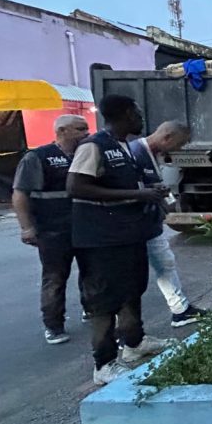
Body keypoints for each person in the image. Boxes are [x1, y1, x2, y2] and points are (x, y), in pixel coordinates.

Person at [67, 95, 170, 385]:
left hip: (128, 234)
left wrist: (149, 190)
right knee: (104, 299)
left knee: (132, 289)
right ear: (126, 113)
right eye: (137, 112)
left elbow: (120, 185)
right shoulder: (94, 146)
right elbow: (76, 186)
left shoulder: (123, 146)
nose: (140, 117)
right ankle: (104, 363)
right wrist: (138, 195)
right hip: (101, 239)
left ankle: (134, 344)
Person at [11, 114, 90, 344]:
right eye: (80, 129)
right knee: (55, 277)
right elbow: (20, 194)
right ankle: (53, 325)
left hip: (85, 227)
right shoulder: (38, 157)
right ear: (62, 131)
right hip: (52, 230)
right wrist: (27, 227)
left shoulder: (84, 155)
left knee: (92, 271)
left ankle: (91, 309)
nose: (86, 133)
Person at [129, 121, 205, 327]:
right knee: (133, 276)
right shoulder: (135, 153)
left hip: (151, 221)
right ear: (167, 138)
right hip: (135, 225)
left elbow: (155, 184)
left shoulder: (152, 154)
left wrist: (166, 204)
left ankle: (180, 310)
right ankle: (127, 331)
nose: (179, 150)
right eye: (179, 145)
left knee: (165, 263)